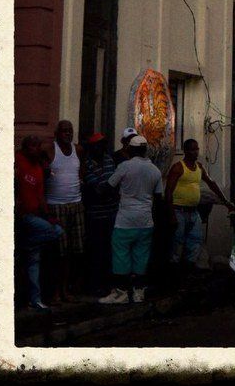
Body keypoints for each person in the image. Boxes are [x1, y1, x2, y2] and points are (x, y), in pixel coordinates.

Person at [98, 135, 163, 304]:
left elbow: (108, 186)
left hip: (125, 220)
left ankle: (121, 292)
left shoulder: (124, 167)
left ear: (131, 150)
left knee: (121, 255)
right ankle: (138, 292)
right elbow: (158, 198)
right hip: (145, 221)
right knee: (141, 256)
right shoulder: (155, 170)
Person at [165, 138, 234, 277]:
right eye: (192, 149)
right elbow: (168, 192)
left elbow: (212, 183)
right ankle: (174, 277)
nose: (195, 152)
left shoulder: (199, 168)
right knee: (177, 245)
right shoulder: (178, 167)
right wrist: (171, 214)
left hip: (193, 211)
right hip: (179, 211)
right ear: (185, 151)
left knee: (195, 242)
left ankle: (188, 274)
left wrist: (226, 201)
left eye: (197, 149)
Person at [15, 135, 64, 311]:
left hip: (35, 215)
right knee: (55, 232)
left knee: (34, 259)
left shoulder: (37, 168)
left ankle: (35, 299)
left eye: (38, 146)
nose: (37, 150)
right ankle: (30, 244)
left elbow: (40, 196)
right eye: (34, 146)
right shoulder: (18, 160)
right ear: (26, 148)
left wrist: (48, 215)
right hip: (23, 215)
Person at [44, 119, 85, 304]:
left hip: (75, 204)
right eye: (64, 131)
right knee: (57, 252)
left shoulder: (78, 150)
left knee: (72, 251)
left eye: (70, 130)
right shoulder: (50, 150)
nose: (68, 134)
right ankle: (54, 292)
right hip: (56, 205)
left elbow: (80, 172)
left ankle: (66, 288)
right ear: (57, 133)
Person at [82, 132, 119, 297]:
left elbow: (113, 184)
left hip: (111, 212)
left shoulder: (109, 160)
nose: (101, 148)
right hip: (96, 215)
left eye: (103, 144)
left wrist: (107, 188)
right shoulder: (87, 164)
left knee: (110, 250)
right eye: (98, 145)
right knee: (96, 251)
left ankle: (107, 283)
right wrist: (108, 188)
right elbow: (95, 188)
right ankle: (94, 284)